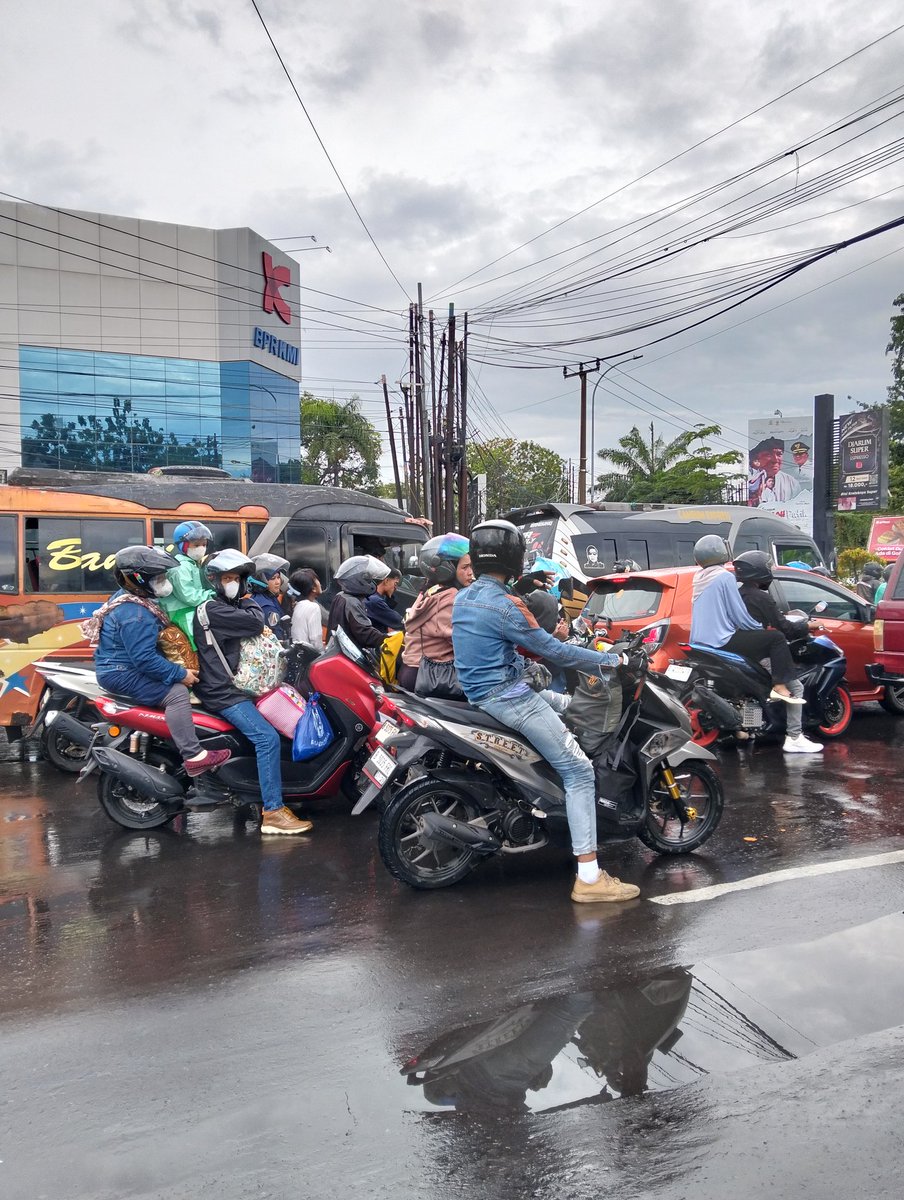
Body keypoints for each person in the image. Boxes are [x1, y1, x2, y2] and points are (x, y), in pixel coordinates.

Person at [452, 520, 641, 906]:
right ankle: (589, 877)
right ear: (513, 557)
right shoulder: (504, 605)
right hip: (509, 697)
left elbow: (500, 650)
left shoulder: (465, 597)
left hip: (488, 692)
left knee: (571, 707)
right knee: (579, 771)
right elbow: (556, 651)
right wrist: (613, 661)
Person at [193, 548, 312, 836]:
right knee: (267, 739)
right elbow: (256, 622)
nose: (235, 583)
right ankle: (272, 811)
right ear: (215, 581)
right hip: (224, 693)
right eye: (228, 578)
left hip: (236, 688)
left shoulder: (227, 607)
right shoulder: (213, 610)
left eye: (238, 578)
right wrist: (248, 600)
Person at [90, 546, 230, 776]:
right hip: (122, 672)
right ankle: (194, 755)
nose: (165, 582)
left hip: (118, 667)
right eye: (159, 578)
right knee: (176, 694)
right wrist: (180, 674)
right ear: (140, 580)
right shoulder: (136, 614)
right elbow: (144, 659)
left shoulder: (128, 599)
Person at [689, 536, 804, 705]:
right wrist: (756, 627)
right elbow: (737, 613)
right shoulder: (724, 577)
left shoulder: (699, 577)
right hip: (721, 640)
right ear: (720, 552)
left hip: (698, 641)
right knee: (776, 638)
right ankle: (779, 686)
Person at [733, 551, 822, 754]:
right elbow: (784, 628)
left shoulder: (738, 594)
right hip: (756, 653)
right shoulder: (761, 597)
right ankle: (794, 737)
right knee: (796, 688)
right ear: (760, 571)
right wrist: (809, 626)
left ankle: (748, 727)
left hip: (738, 650)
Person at [398, 534, 473, 691]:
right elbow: (463, 643)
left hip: (413, 670)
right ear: (448, 570)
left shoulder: (430, 590)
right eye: (465, 567)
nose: (471, 573)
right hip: (429, 674)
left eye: (472, 567)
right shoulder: (450, 597)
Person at [159, 520, 215, 646]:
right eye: (196, 545)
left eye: (204, 544)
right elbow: (189, 596)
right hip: (182, 613)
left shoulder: (194, 564)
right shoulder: (180, 567)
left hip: (190, 612)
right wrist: (213, 595)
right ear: (183, 546)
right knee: (197, 647)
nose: (201, 548)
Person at [327, 554, 391, 652]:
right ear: (359, 581)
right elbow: (364, 633)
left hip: (339, 650)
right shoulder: (352, 602)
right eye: (368, 579)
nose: (371, 582)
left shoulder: (340, 596)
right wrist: (388, 639)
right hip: (349, 653)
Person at [249, 553, 291, 644]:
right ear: (262, 581)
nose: (277, 582)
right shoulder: (267, 606)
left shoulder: (267, 598)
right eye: (273, 578)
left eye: (278, 578)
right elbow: (276, 635)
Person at [747, 438, 802, 507]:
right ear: (757, 459)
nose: (775, 460)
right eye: (768, 455)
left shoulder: (792, 483)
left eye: (779, 454)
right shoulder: (751, 482)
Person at [289, 568, 324, 649]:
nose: (320, 583)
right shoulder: (313, 607)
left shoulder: (298, 605)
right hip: (309, 656)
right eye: (316, 580)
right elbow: (316, 640)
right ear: (313, 588)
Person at [365, 568, 404, 634]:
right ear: (386, 581)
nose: (395, 588)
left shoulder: (371, 596)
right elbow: (399, 622)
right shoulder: (375, 601)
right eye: (395, 584)